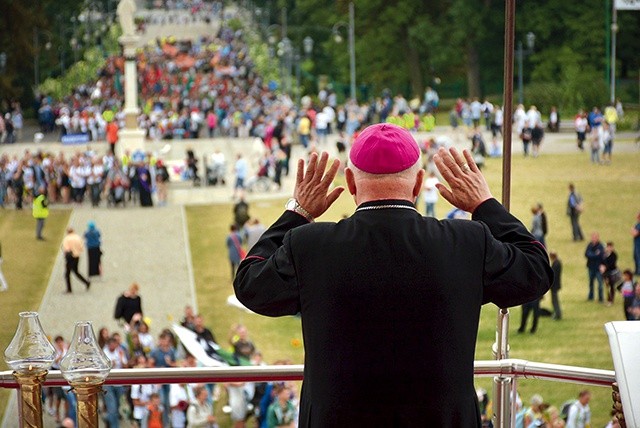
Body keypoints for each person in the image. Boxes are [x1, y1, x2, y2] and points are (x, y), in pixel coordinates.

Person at [233, 123, 552, 426]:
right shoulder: (466, 241)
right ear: (417, 183)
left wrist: (297, 212)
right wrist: (485, 205)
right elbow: (535, 271)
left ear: (351, 183)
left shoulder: (310, 245)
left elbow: (251, 284)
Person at [61, 227, 91, 293]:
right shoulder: (78, 237)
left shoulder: (67, 239)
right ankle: (86, 282)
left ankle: (69, 289)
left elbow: (66, 249)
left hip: (70, 257)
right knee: (76, 271)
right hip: (77, 256)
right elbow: (82, 247)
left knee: (67, 274)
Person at [585, 232, 605, 302]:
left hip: (598, 268)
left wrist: (592, 255)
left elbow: (601, 255)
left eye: (595, 237)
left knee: (600, 284)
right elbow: (586, 254)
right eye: (592, 237)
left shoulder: (601, 246)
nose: (593, 239)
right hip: (591, 267)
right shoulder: (589, 245)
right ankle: (591, 297)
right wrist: (595, 254)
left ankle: (601, 298)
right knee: (591, 283)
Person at [601, 242, 620, 306]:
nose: (608, 248)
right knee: (607, 287)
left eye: (610, 247)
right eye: (608, 247)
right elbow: (602, 261)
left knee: (612, 286)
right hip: (606, 273)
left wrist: (605, 267)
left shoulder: (614, 255)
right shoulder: (604, 254)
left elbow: (611, 264)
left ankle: (611, 300)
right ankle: (608, 299)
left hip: (612, 273)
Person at [549, 251, 563, 320]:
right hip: (556, 285)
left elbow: (554, 275)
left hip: (554, 286)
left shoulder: (556, 264)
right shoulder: (558, 263)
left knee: (555, 300)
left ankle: (557, 314)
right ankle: (557, 313)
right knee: (555, 300)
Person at [632, 211, 640, 276]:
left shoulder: (639, 225)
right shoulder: (637, 224)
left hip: (638, 244)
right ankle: (637, 271)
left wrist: (632, 229)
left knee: (638, 257)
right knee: (635, 257)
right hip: (636, 243)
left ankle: (639, 271)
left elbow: (635, 233)